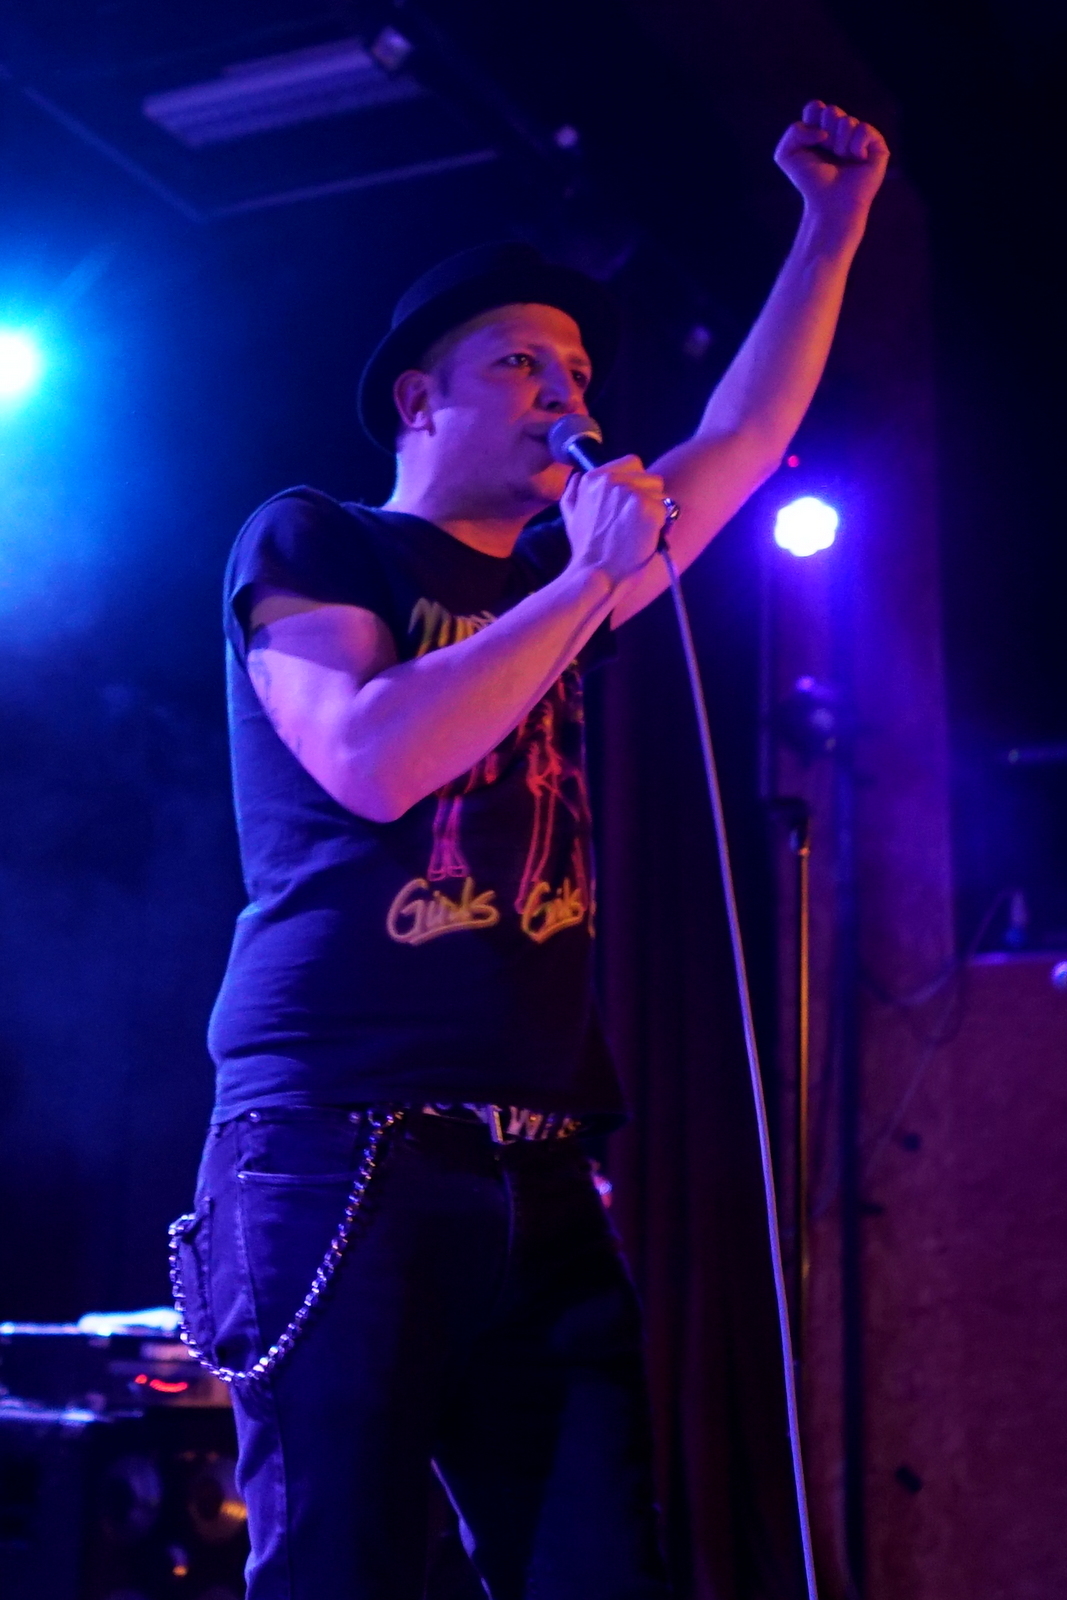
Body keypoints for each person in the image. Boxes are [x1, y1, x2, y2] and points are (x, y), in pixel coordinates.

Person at [175, 100, 888, 1599]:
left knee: (598, 1565)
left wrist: (831, 226)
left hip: (542, 1159)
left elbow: (742, 439)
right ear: (419, 398)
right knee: (342, 1568)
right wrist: (581, 593)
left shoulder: (570, 578)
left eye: (577, 373)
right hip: (340, 1138)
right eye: (520, 363)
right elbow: (369, 757)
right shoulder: (315, 539)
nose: (565, 394)